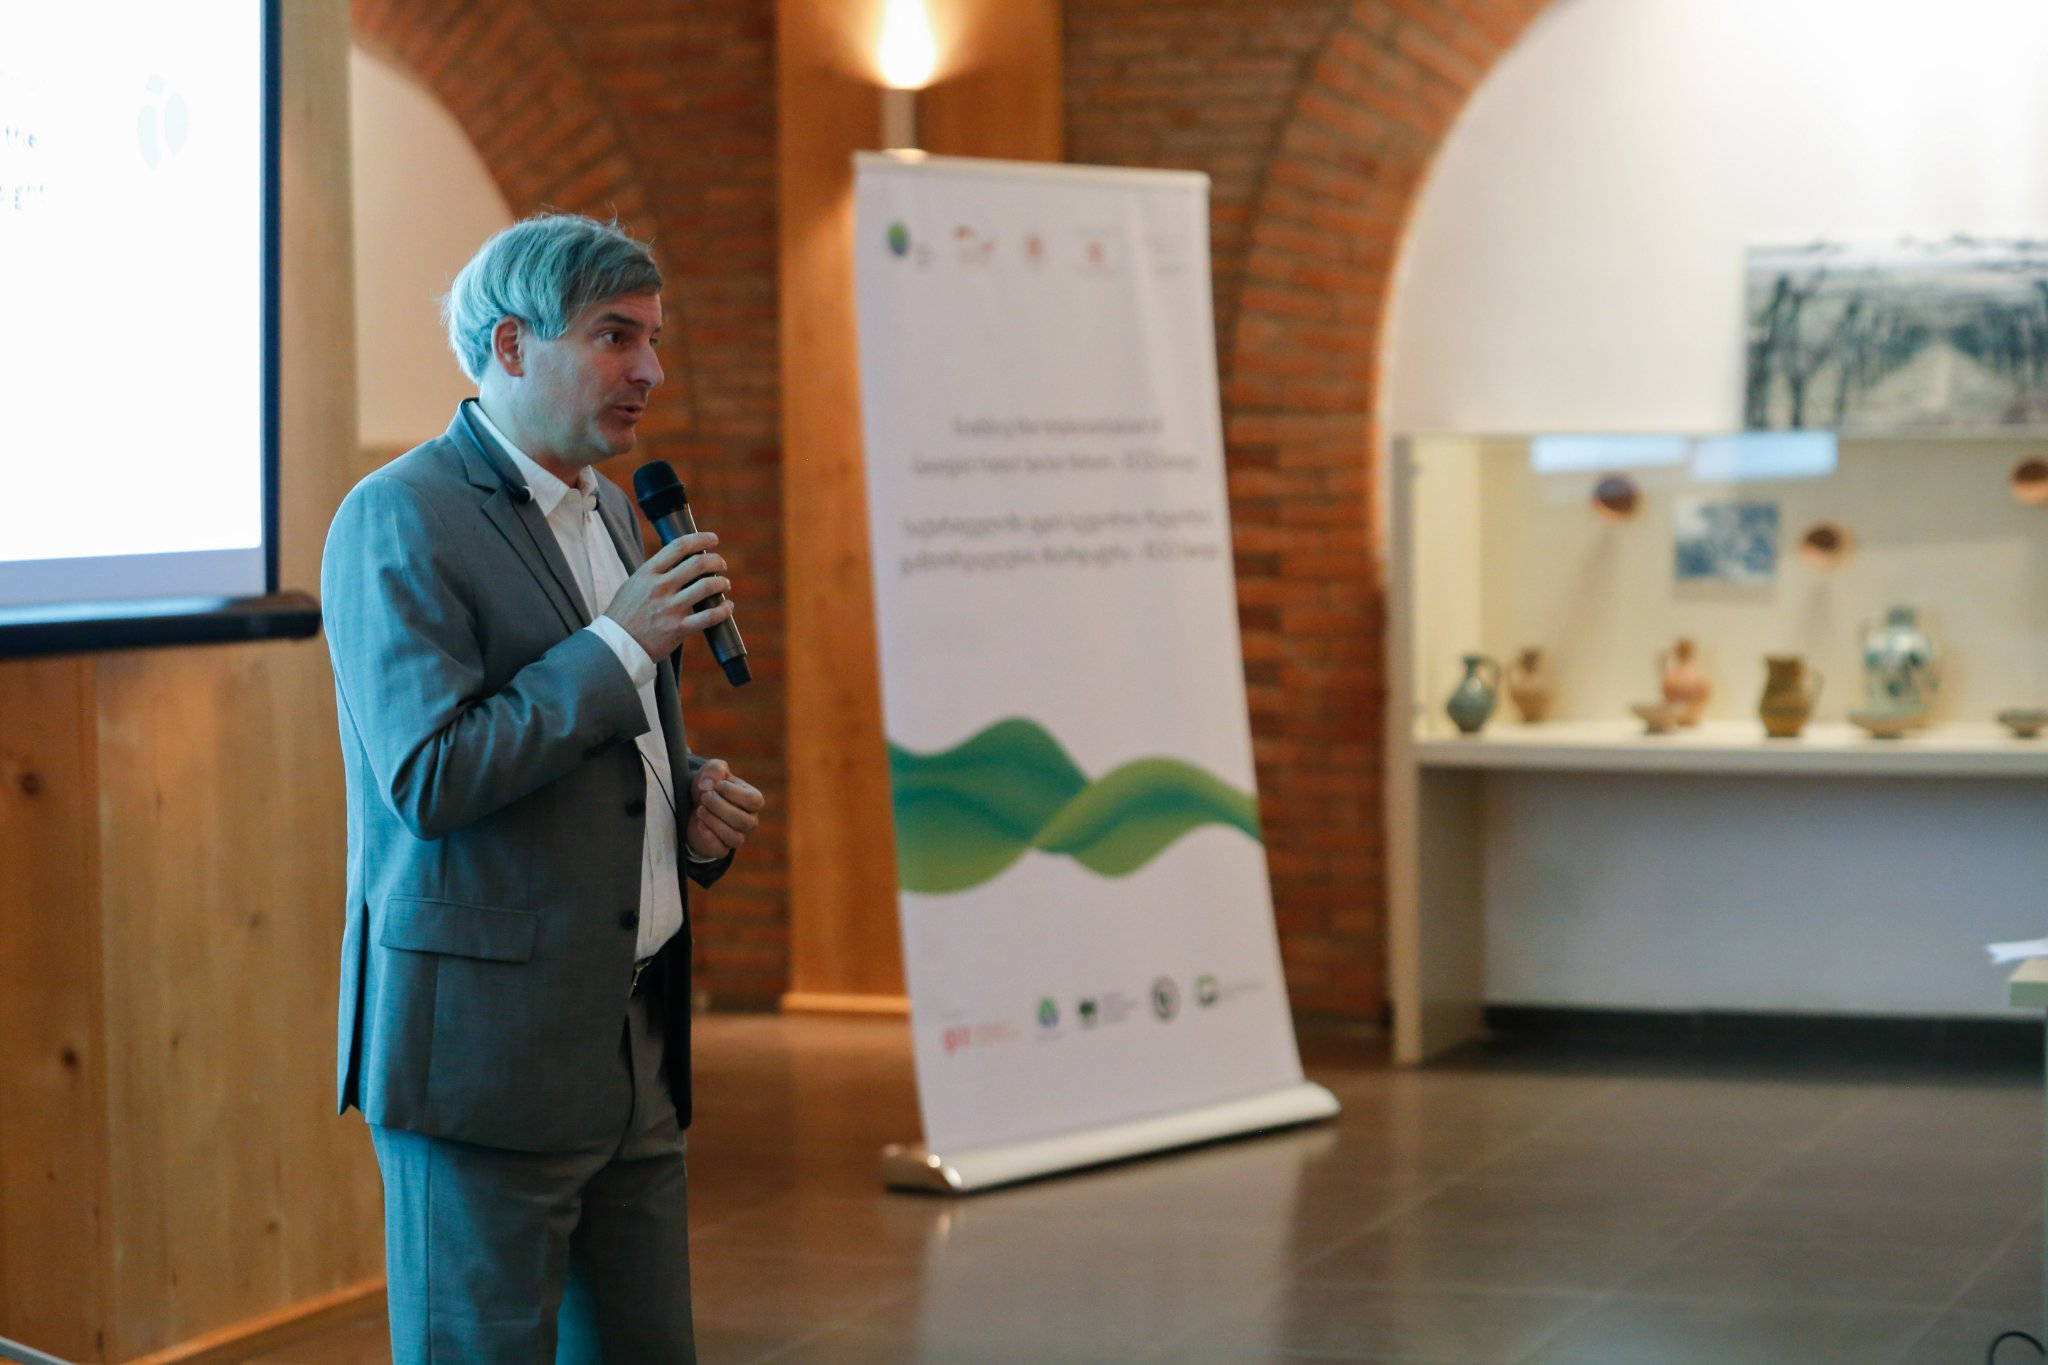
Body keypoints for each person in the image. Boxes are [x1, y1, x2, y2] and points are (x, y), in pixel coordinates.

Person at [321, 212, 763, 1363]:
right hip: (483, 1059)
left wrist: (687, 803)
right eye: (616, 337)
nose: (649, 370)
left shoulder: (612, 508)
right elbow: (430, 776)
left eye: (653, 338)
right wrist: (617, 647)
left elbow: (600, 748)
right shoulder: (398, 516)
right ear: (511, 346)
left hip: (631, 1045)